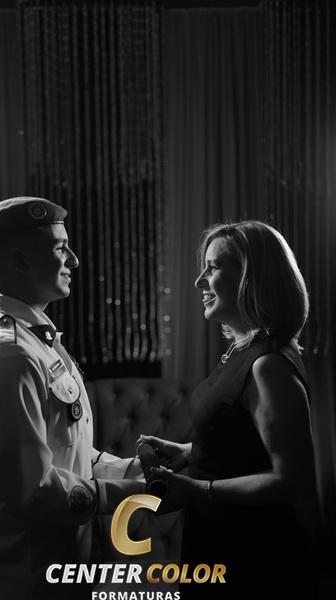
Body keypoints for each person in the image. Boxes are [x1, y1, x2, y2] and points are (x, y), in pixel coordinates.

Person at [0, 197, 145, 600]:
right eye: (61, 248)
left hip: (56, 570)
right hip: (20, 580)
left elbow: (64, 447)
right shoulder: (12, 357)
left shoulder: (35, 337)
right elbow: (32, 489)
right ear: (21, 260)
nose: (74, 260)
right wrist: (129, 494)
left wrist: (132, 468)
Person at [138, 220, 318, 598]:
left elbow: (292, 479)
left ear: (251, 278)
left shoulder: (267, 365)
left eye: (213, 267)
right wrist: (190, 453)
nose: (199, 281)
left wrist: (197, 489)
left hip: (256, 556)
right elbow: (246, 445)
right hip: (219, 537)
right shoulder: (241, 351)